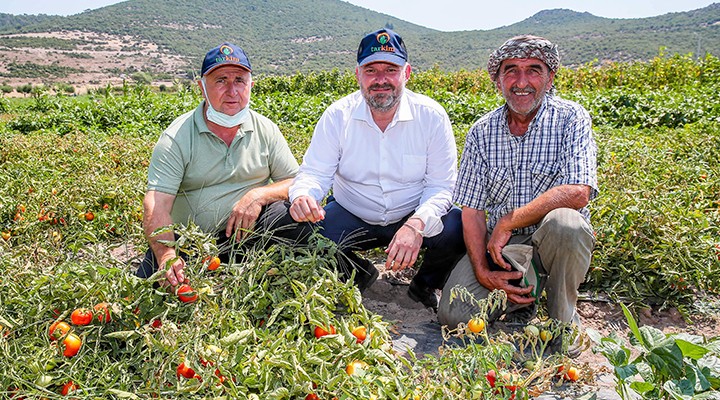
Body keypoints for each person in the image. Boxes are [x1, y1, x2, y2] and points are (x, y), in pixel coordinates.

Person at [288, 29, 465, 309]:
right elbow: (315, 172)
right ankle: (360, 275)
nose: (381, 79)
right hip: (353, 212)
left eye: (390, 69)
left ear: (406, 73)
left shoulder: (431, 116)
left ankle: (424, 286)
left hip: (411, 211)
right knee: (297, 229)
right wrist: (303, 195)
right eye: (371, 69)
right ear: (358, 74)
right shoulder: (338, 115)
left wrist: (417, 225)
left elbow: (442, 186)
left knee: (458, 226)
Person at [437, 35, 598, 335]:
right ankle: (522, 298)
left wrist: (509, 222)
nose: (521, 81)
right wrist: (484, 273)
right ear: (498, 81)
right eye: (511, 70)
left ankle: (563, 321)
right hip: (503, 251)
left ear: (550, 79)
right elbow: (471, 212)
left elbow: (578, 192)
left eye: (534, 70)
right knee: (454, 314)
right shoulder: (482, 132)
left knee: (567, 224)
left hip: (551, 242)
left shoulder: (571, 118)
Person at [137, 42, 302, 287]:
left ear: (250, 86)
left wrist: (258, 195)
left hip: (248, 236)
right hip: (191, 244)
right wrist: (167, 255)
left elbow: (297, 181)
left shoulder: (265, 129)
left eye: (239, 81)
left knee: (295, 215)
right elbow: (157, 202)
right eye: (221, 80)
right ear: (202, 88)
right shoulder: (177, 137)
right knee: (150, 289)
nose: (232, 91)